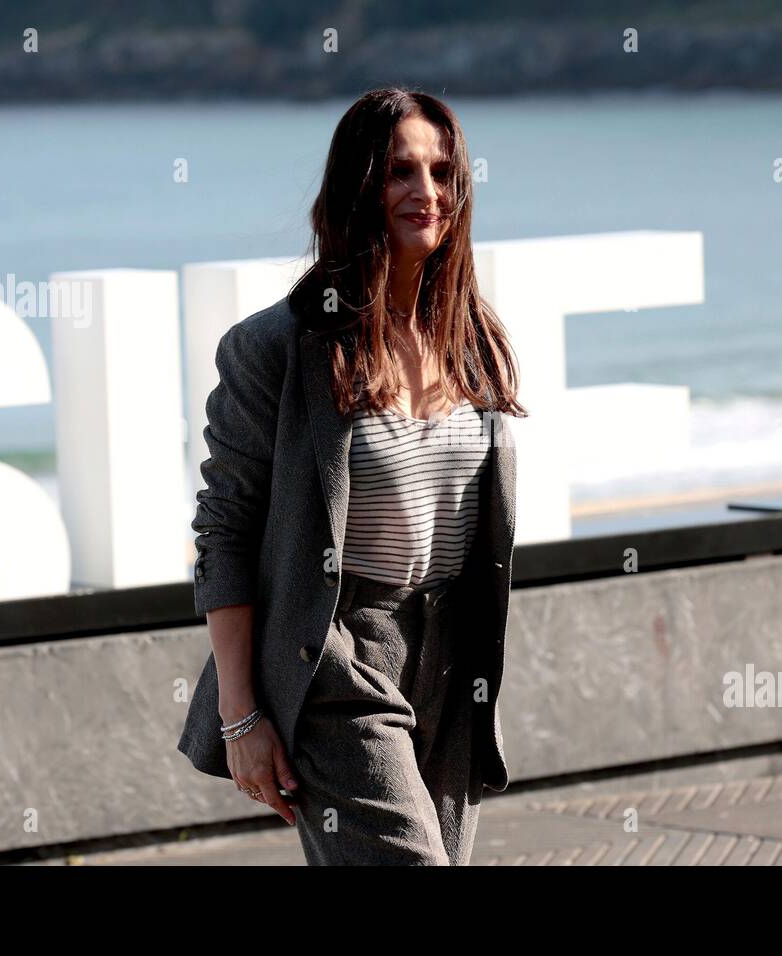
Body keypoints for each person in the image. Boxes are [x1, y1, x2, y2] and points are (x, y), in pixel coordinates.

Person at [177, 86, 527, 865]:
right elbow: (224, 529)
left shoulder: (471, 339)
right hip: (334, 654)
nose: (425, 193)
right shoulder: (275, 348)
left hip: (452, 651)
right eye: (400, 171)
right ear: (356, 186)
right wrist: (242, 715)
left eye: (441, 172)